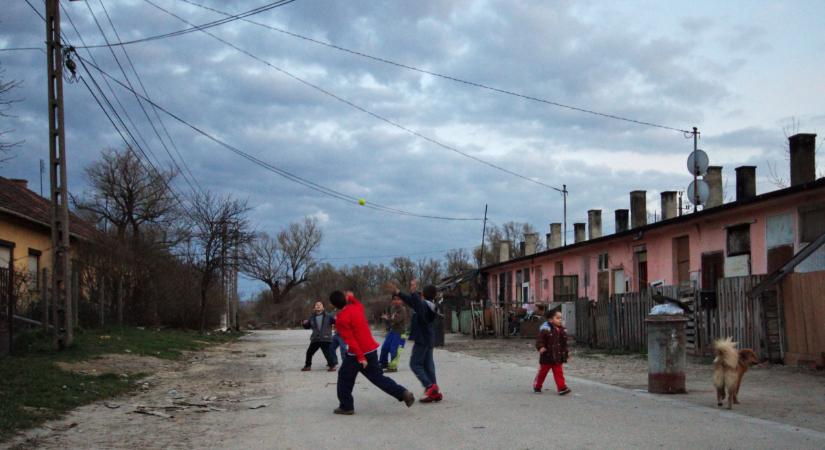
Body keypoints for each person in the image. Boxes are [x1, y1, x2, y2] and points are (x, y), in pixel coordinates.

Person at [329, 290, 415, 415]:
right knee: (379, 378)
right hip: (371, 349)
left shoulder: (341, 319)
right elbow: (358, 303)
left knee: (344, 377)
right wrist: (351, 297)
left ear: (333, 305)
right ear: (345, 299)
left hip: (356, 354)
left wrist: (360, 357)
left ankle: (346, 406)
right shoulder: (356, 307)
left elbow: (351, 340)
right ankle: (403, 393)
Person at [388, 280, 442, 403]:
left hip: (422, 339)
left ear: (422, 294)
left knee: (415, 364)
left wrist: (412, 291)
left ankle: (430, 387)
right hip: (428, 339)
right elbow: (413, 302)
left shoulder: (424, 305)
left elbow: (415, 302)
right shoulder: (430, 305)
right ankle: (434, 392)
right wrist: (399, 292)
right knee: (428, 366)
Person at [533, 308, 571, 395]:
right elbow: (539, 340)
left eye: (561, 318)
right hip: (547, 356)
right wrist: (541, 347)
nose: (560, 320)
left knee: (559, 373)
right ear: (550, 320)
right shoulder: (545, 330)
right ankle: (537, 386)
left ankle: (562, 388)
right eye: (557, 318)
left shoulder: (562, 331)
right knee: (542, 373)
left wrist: (567, 352)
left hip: (558, 356)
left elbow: (564, 344)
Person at [301, 301, 337, 372]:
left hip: (325, 338)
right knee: (309, 352)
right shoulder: (311, 317)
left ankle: (332, 366)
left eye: (320, 304)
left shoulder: (329, 316)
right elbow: (307, 326)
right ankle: (307, 366)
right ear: (314, 308)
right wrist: (304, 324)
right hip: (315, 338)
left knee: (327, 353)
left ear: (323, 307)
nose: (318, 306)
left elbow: (336, 322)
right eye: (316, 305)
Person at [379, 295, 408, 372]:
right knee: (384, 347)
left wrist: (389, 318)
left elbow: (396, 320)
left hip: (400, 333)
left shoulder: (403, 310)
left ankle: (393, 367)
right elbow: (391, 319)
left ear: (401, 301)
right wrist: (387, 318)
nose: (396, 301)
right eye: (394, 299)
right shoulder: (392, 308)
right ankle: (383, 363)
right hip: (392, 331)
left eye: (398, 299)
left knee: (394, 349)